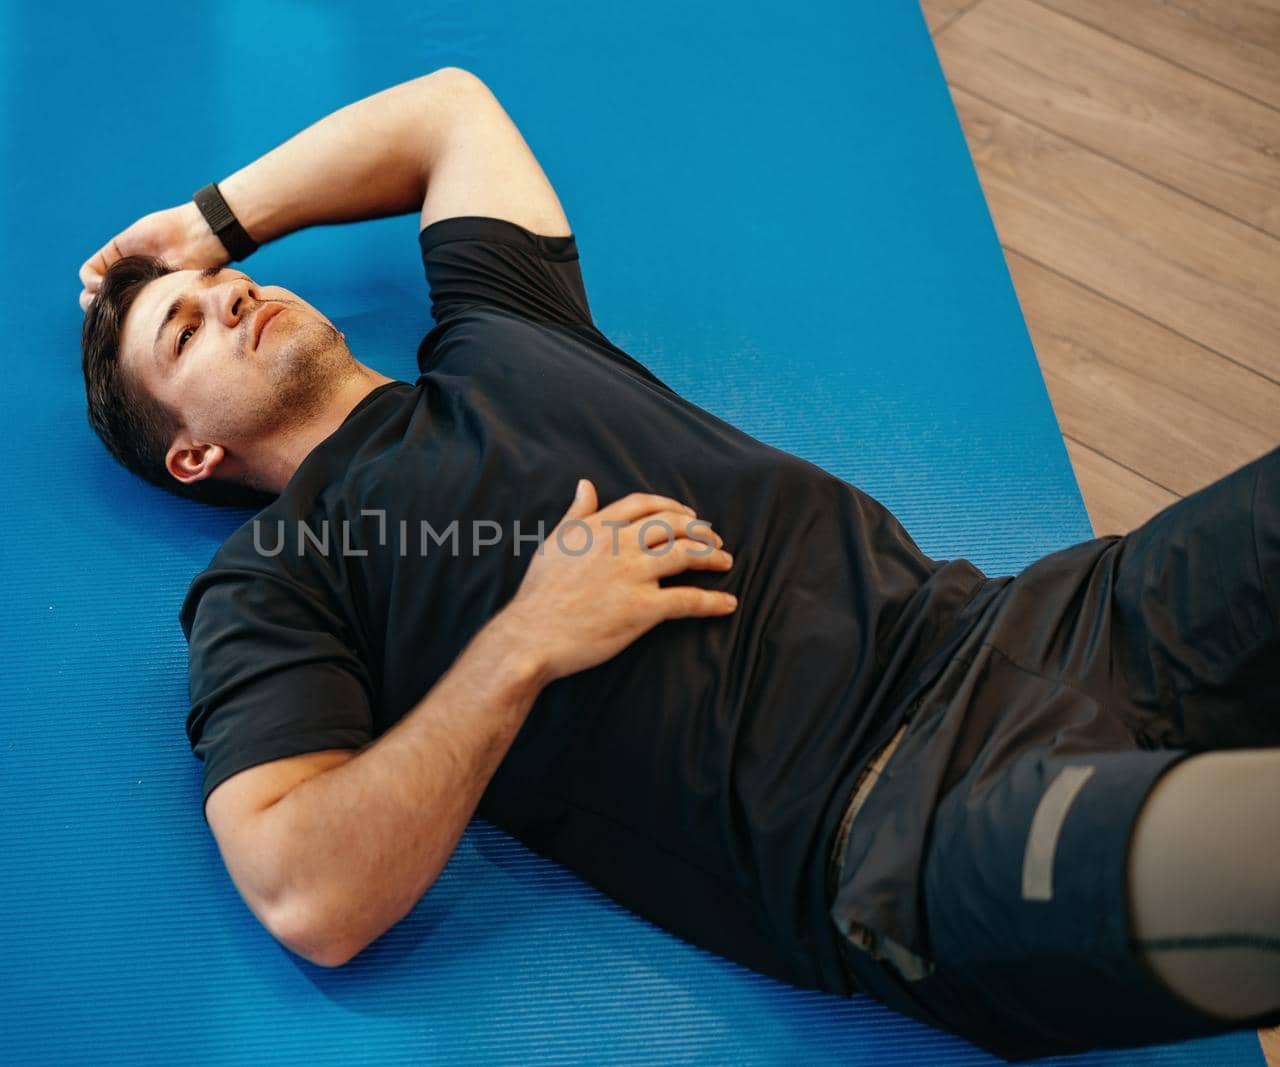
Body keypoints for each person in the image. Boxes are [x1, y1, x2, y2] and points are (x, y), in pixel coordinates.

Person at [75, 67, 1280, 1061]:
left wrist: (203, 223)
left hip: (1042, 621)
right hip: (900, 829)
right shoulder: (277, 579)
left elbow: (445, 112)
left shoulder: (501, 330)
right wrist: (524, 639)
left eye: (227, 285)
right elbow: (306, 893)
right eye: (185, 327)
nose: (231, 300)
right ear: (191, 454)